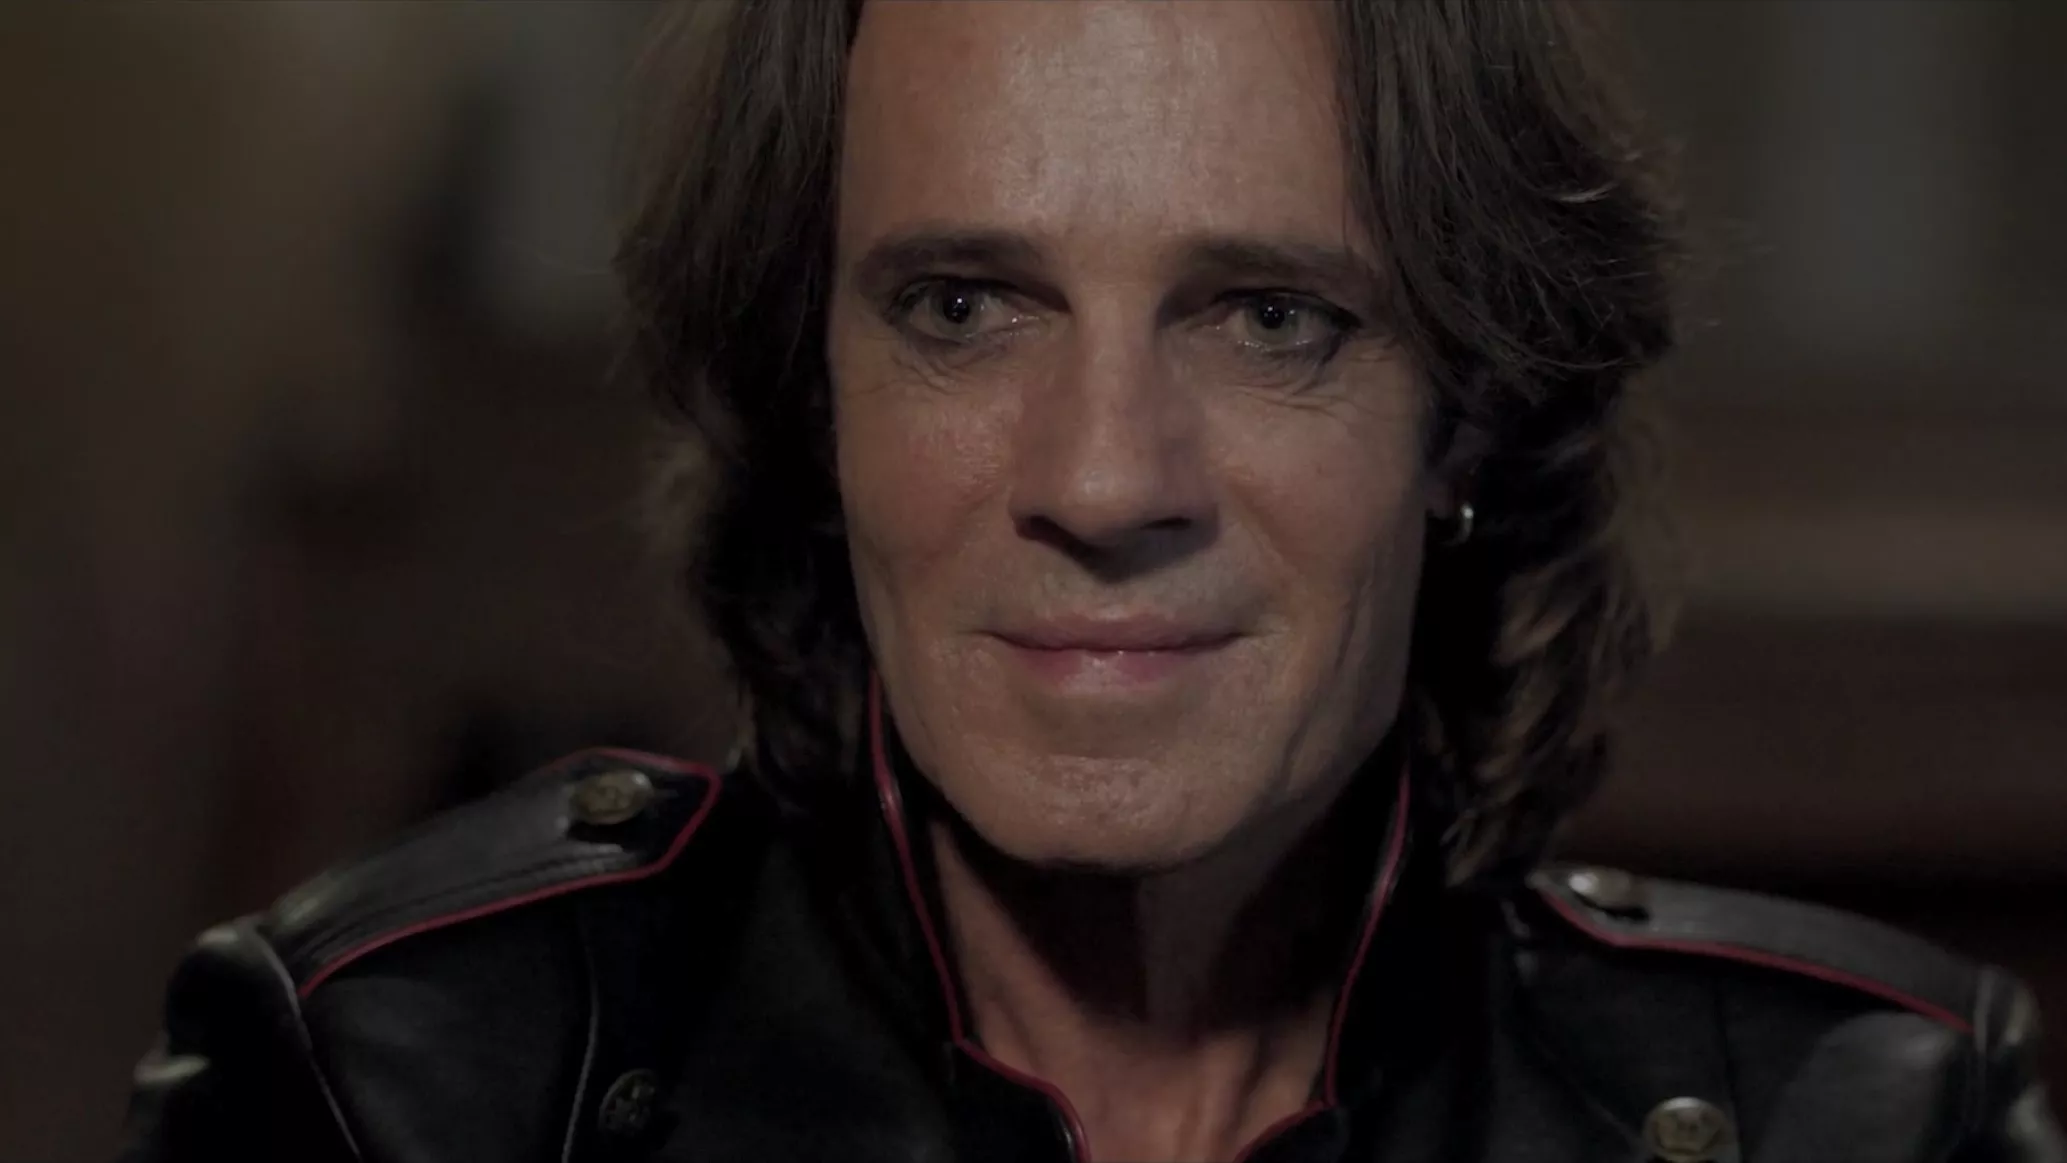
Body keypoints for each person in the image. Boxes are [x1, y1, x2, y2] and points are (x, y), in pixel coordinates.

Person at [119, 3, 2062, 1161]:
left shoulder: (1865, 1110)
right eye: (963, 307)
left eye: (1270, 315)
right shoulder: (395, 1080)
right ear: (814, 395)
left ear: (1466, 413)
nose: (1103, 476)